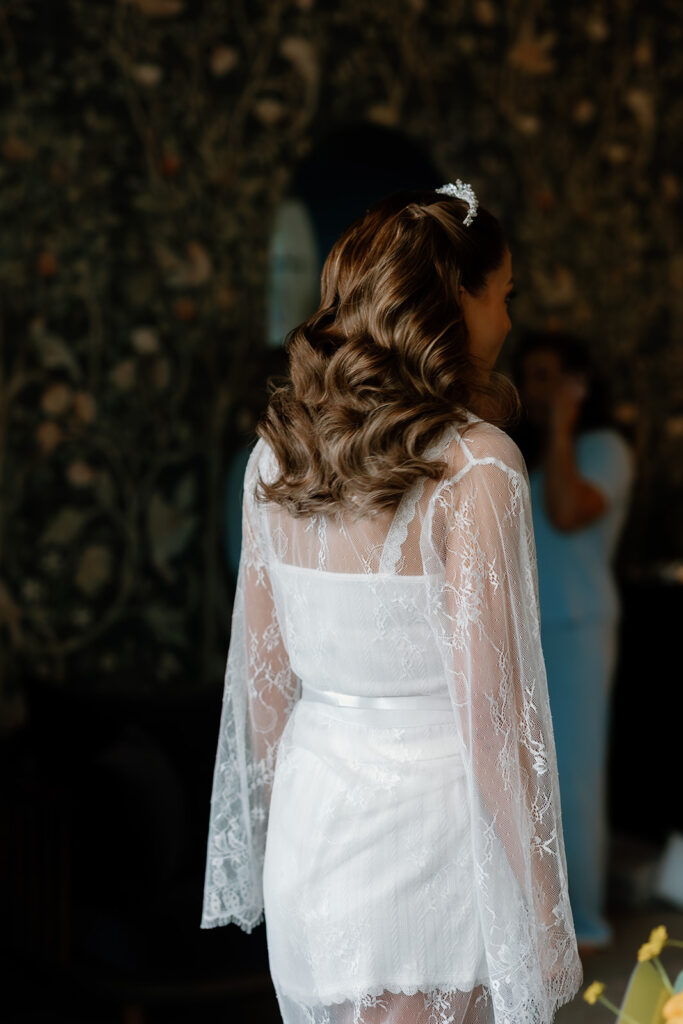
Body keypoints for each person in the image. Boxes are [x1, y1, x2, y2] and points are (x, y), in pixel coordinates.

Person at [200, 182, 583, 1024]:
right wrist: (547, 916)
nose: (509, 322)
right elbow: (492, 720)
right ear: (455, 300)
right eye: (503, 295)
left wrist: (270, 847)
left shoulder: (274, 461)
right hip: (432, 854)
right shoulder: (479, 467)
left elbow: (264, 695)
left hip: (314, 846)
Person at [509, 331, 635, 955]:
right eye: (529, 377)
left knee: (575, 776)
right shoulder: (519, 455)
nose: (536, 390)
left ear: (577, 385)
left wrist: (561, 425)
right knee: (530, 775)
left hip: (580, 628)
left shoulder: (604, 447)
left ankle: (585, 920)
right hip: (527, 629)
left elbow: (564, 513)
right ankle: (542, 918)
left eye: (548, 377)